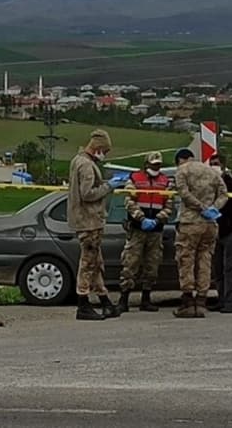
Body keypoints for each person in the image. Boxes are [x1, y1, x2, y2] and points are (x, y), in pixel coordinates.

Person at [68, 128, 129, 321]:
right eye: (106, 151)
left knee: (96, 263)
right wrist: (109, 186)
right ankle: (83, 304)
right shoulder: (86, 166)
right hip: (89, 220)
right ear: (98, 148)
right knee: (87, 263)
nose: (106, 155)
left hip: (85, 219)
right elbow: (88, 194)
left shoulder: (77, 160)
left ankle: (105, 302)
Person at [171, 148, 227, 318]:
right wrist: (213, 208)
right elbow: (224, 194)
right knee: (205, 259)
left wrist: (199, 207)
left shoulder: (182, 171)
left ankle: (187, 301)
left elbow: (184, 193)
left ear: (180, 160)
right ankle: (202, 300)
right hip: (210, 223)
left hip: (190, 222)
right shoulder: (211, 171)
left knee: (186, 259)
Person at [117, 151, 174, 313]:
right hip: (137, 228)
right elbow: (129, 201)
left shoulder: (166, 182)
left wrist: (158, 219)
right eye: (153, 164)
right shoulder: (135, 179)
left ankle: (146, 299)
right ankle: (124, 298)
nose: (156, 167)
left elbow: (169, 205)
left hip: (156, 229)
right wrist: (141, 219)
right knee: (130, 263)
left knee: (152, 265)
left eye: (158, 164)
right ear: (146, 164)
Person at [208, 154, 232, 314]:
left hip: (230, 233)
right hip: (215, 232)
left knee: (229, 268)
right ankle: (222, 299)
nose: (213, 167)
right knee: (218, 268)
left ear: (223, 165)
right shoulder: (210, 185)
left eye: (216, 164)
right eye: (211, 164)